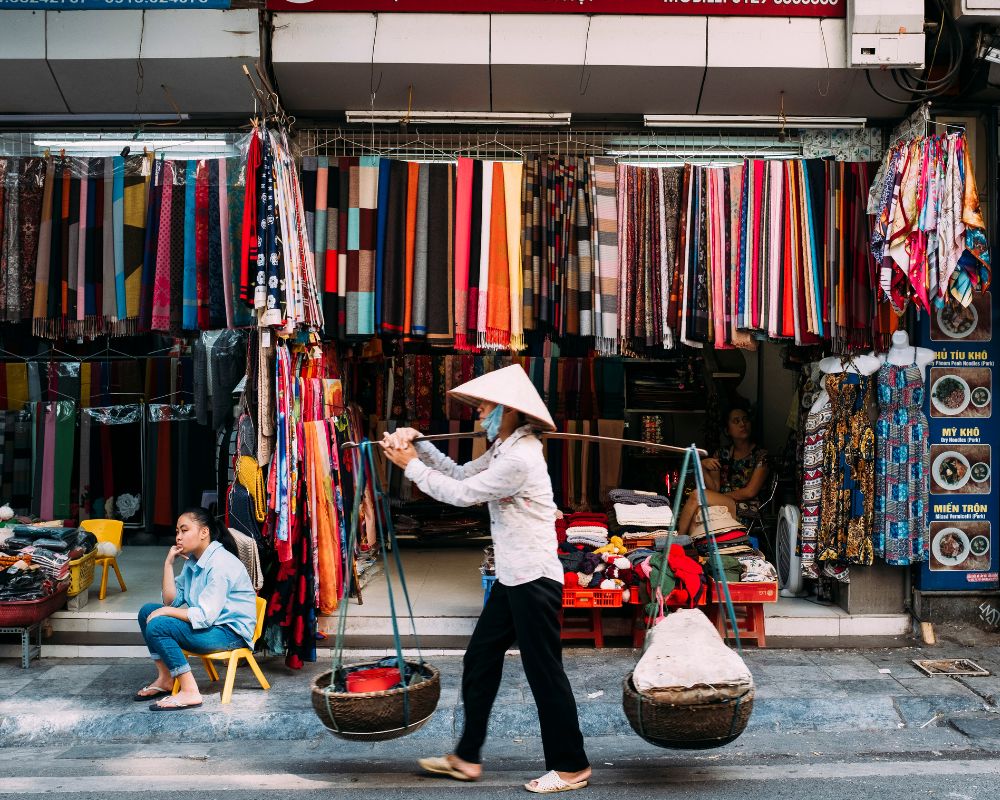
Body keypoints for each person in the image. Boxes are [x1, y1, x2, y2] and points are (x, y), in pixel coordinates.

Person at [380, 364, 591, 794]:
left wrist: (411, 466)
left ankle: (571, 766)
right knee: (479, 659)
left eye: (485, 407)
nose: (479, 415)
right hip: (513, 577)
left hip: (533, 579)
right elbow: (459, 473)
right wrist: (419, 444)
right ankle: (467, 757)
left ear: (509, 412)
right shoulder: (503, 449)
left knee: (544, 673)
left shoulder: (520, 457)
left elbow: (460, 495)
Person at [134, 507, 258, 711]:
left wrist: (165, 613)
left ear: (204, 532)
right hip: (211, 627)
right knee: (147, 611)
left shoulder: (220, 564)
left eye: (184, 530)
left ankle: (190, 691)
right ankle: (165, 679)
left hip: (229, 633)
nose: (179, 537)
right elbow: (170, 602)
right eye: (177, 532)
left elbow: (204, 616)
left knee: (159, 624)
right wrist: (168, 564)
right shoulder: (194, 561)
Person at [677, 399, 770, 536]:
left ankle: (677, 541)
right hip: (724, 504)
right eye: (736, 421)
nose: (742, 424)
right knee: (698, 512)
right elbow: (714, 487)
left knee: (697, 496)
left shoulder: (761, 456)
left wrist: (716, 498)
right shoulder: (722, 454)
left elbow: (750, 492)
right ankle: (694, 551)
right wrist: (702, 466)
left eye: (745, 420)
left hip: (748, 509)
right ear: (727, 430)